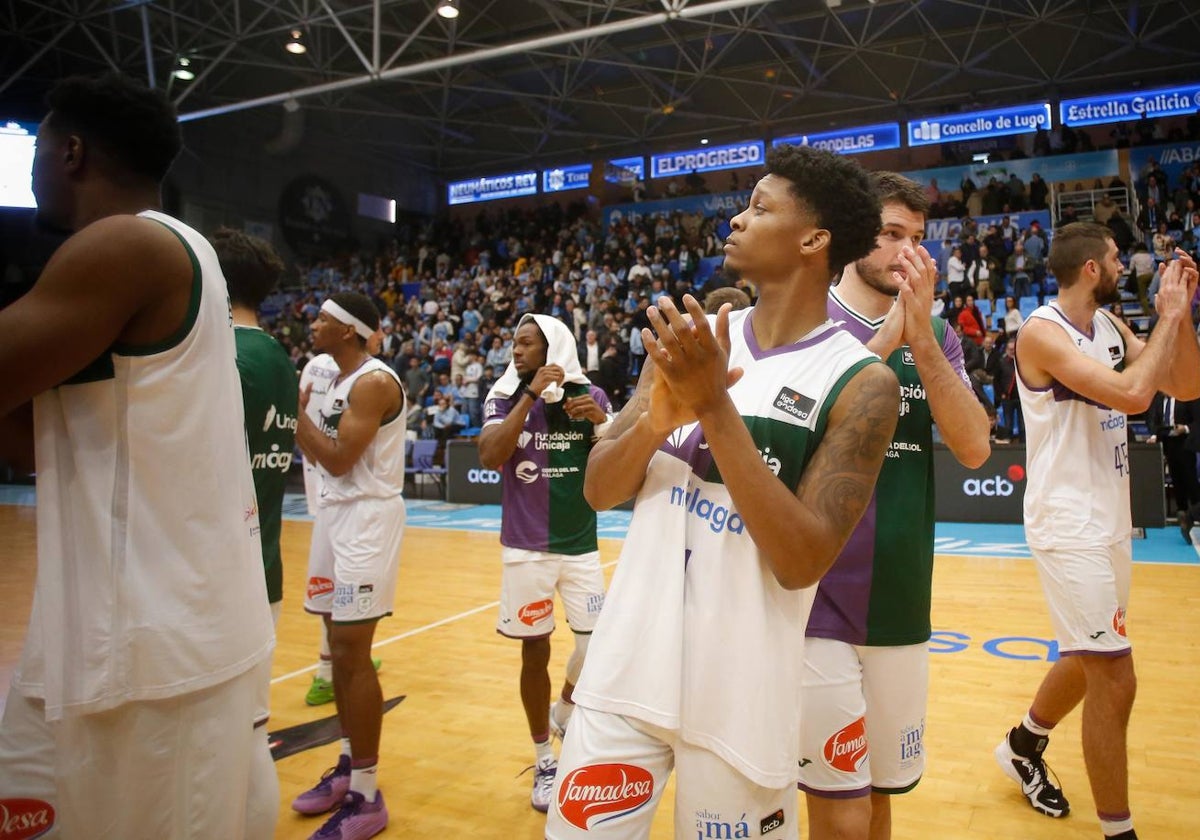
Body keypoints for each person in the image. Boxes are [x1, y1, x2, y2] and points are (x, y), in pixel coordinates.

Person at [545, 145, 899, 839]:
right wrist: (655, 422)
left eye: (760, 208)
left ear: (814, 240)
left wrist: (714, 408)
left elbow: (802, 560)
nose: (736, 219)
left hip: (741, 692)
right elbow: (598, 488)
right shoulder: (692, 341)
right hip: (626, 669)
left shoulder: (861, 382)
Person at [0, 74, 275, 838]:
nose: (33, 166)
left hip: (154, 648)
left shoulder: (126, 245)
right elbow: (51, 445)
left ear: (74, 152)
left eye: (40, 148)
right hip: (114, 626)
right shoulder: (181, 249)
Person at [996, 224, 1200, 840]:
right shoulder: (1041, 333)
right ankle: (1120, 832)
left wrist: (1181, 314)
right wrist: (1165, 315)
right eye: (1115, 258)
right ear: (1090, 268)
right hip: (1066, 523)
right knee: (1115, 674)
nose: (1123, 265)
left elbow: (1184, 386)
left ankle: (1022, 744)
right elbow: (1136, 396)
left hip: (1108, 521)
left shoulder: (1111, 326)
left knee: (1087, 658)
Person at [803, 172, 990, 840]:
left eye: (917, 237)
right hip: (814, 601)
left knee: (880, 800)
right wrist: (889, 338)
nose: (906, 252)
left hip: (903, 599)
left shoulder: (936, 333)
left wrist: (921, 341)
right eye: (889, 234)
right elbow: (806, 430)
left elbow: (972, 447)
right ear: (856, 235)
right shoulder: (807, 317)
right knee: (839, 808)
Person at [477, 313, 613, 812]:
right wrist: (529, 394)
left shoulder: (590, 398)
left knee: (596, 647)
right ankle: (543, 758)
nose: (516, 351)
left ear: (553, 347)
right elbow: (491, 454)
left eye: (527, 343)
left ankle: (564, 709)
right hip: (526, 549)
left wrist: (604, 424)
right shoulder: (502, 395)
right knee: (534, 653)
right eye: (514, 343)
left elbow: (620, 461)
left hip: (581, 545)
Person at [291, 292, 407, 840]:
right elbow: (324, 459)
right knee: (335, 647)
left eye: (323, 319)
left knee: (352, 651)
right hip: (335, 516)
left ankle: (366, 795)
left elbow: (337, 457)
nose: (313, 325)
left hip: (367, 520)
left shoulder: (374, 382)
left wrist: (295, 417)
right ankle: (346, 763)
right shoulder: (334, 381)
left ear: (349, 330)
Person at [212, 227, 296, 839]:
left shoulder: (223, 357)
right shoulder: (279, 359)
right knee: (252, 734)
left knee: (215, 751)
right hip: (264, 566)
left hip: (214, 580)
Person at [299, 331, 386, 708]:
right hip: (343, 490)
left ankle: (336, 659)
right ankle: (328, 667)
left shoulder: (314, 368)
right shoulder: (361, 376)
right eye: (378, 328)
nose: (382, 335)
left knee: (329, 587)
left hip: (321, 479)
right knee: (340, 589)